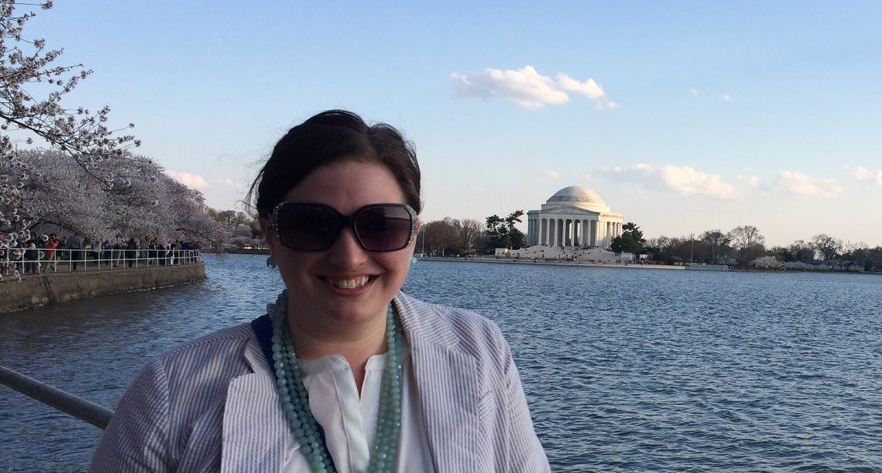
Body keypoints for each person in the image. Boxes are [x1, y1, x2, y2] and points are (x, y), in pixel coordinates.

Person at [91, 110, 550, 472]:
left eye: (382, 226)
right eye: (311, 225)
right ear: (270, 234)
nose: (349, 257)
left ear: (413, 235)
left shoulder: (479, 349)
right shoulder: (174, 391)